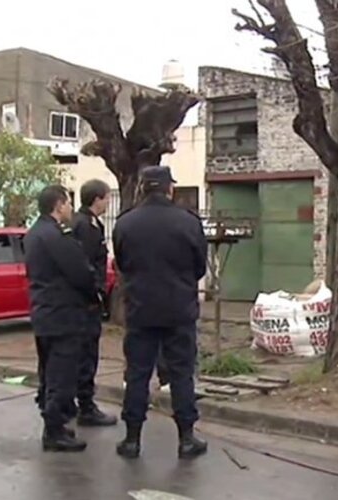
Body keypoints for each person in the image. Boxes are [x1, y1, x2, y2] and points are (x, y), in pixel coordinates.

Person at [113, 166, 208, 459]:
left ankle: (131, 439)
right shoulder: (188, 222)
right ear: (169, 189)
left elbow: (123, 263)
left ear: (142, 188)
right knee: (181, 374)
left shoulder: (125, 223)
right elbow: (199, 267)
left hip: (141, 309)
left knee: (138, 374)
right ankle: (186, 437)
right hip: (179, 309)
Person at [25, 185, 99, 452]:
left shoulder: (34, 233)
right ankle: (54, 431)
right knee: (61, 375)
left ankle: (54, 424)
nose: (70, 208)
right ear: (58, 205)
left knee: (48, 372)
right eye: (68, 203)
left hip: (44, 313)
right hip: (63, 316)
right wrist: (94, 295)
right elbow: (80, 273)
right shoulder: (56, 236)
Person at [69, 179, 117, 427]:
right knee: (87, 354)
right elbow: (85, 266)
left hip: (81, 301)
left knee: (82, 354)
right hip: (86, 303)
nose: (109, 202)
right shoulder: (86, 226)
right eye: (107, 198)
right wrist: (95, 294)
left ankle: (77, 403)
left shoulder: (83, 223)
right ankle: (85, 407)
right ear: (97, 199)